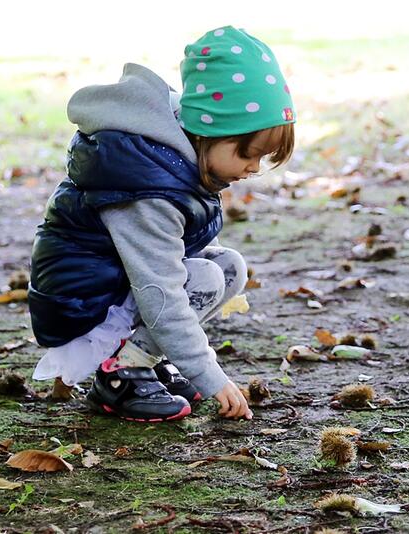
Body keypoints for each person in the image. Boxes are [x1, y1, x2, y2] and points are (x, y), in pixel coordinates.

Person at [28, 26, 295, 422]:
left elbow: (181, 251)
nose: (253, 168)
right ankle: (120, 373)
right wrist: (210, 375)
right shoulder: (147, 190)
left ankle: (142, 358)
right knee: (205, 278)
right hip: (81, 302)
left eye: (262, 159)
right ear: (211, 130)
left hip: (114, 284)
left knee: (228, 268)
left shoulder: (176, 153)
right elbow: (161, 291)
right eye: (247, 153)